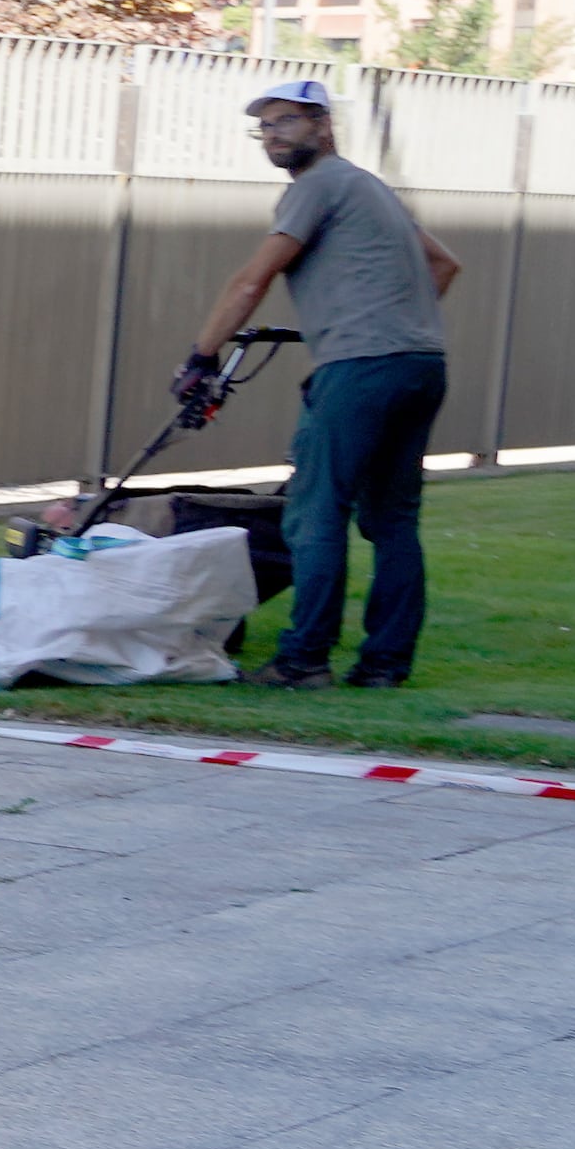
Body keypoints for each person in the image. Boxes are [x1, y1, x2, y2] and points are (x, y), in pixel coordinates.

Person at [194, 74, 461, 690]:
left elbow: (251, 280)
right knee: (393, 522)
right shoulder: (370, 188)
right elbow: (444, 264)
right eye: (265, 126)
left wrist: (200, 356)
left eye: (287, 120)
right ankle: (385, 666)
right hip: (421, 364)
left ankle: (303, 661)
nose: (274, 135)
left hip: (361, 369)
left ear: (323, 125)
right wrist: (393, 321)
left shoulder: (316, 186)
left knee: (315, 513)